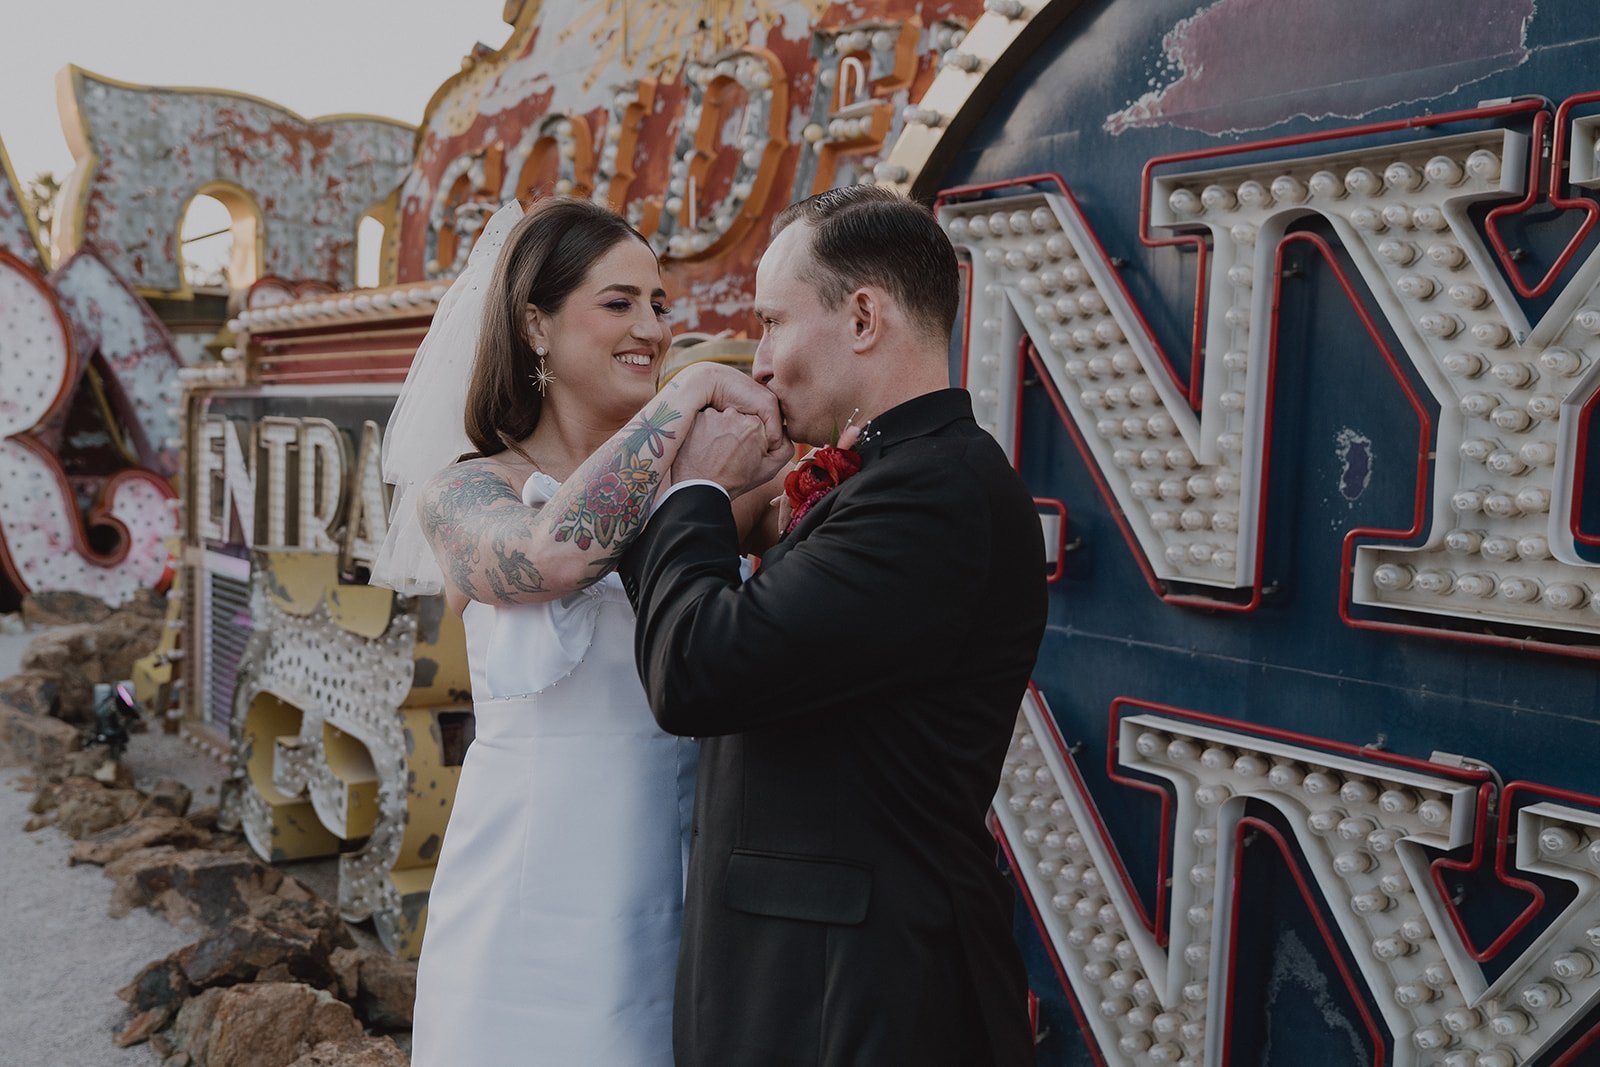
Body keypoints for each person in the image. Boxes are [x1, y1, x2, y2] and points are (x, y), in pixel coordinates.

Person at [618, 185, 1048, 1066]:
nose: (762, 361)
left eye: (774, 322)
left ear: (862, 316)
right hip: (810, 984)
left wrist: (697, 488)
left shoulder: (932, 494)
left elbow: (698, 667)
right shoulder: (893, 478)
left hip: (855, 1000)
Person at [370, 197, 787, 1066]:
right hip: (529, 894)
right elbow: (555, 554)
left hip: (681, 881)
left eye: (661, 304)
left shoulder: (707, 486)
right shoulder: (464, 492)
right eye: (620, 302)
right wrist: (697, 388)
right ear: (536, 325)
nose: (653, 327)